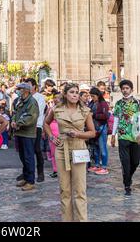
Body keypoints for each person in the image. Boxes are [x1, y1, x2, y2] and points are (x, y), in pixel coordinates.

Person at [44, 83, 95, 222]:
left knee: (80, 190)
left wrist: (78, 133)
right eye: (71, 92)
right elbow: (46, 123)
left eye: (77, 92)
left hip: (79, 149)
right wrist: (51, 137)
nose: (75, 95)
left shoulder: (85, 110)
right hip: (61, 150)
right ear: (65, 94)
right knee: (64, 190)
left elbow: (92, 133)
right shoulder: (56, 109)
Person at [111, 79, 140, 197]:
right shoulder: (118, 104)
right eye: (123, 88)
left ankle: (128, 176)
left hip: (135, 136)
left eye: (127, 88)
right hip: (122, 135)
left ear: (131, 89)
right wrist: (113, 135)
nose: (125, 90)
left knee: (135, 162)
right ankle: (127, 185)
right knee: (125, 162)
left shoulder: (137, 103)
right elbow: (116, 120)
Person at [11, 83, 39, 192]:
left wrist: (19, 123)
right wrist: (13, 120)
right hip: (19, 132)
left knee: (28, 157)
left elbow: (31, 117)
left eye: (20, 89)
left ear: (26, 90)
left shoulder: (32, 102)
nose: (18, 91)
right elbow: (15, 112)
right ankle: (26, 177)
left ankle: (31, 181)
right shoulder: (19, 100)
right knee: (23, 157)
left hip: (28, 133)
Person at [25, 77, 46, 183]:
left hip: (36, 126)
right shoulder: (24, 97)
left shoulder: (40, 97)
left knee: (37, 149)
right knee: (26, 151)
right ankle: (27, 172)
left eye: (29, 85)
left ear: (34, 86)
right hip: (25, 126)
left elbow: (38, 111)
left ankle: (40, 172)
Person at [88, 87, 109, 175]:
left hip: (101, 127)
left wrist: (94, 115)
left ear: (97, 95)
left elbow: (105, 116)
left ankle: (104, 166)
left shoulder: (103, 103)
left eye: (93, 96)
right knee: (95, 147)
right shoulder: (92, 103)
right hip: (93, 128)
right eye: (91, 96)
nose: (92, 98)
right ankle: (96, 165)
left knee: (102, 147)